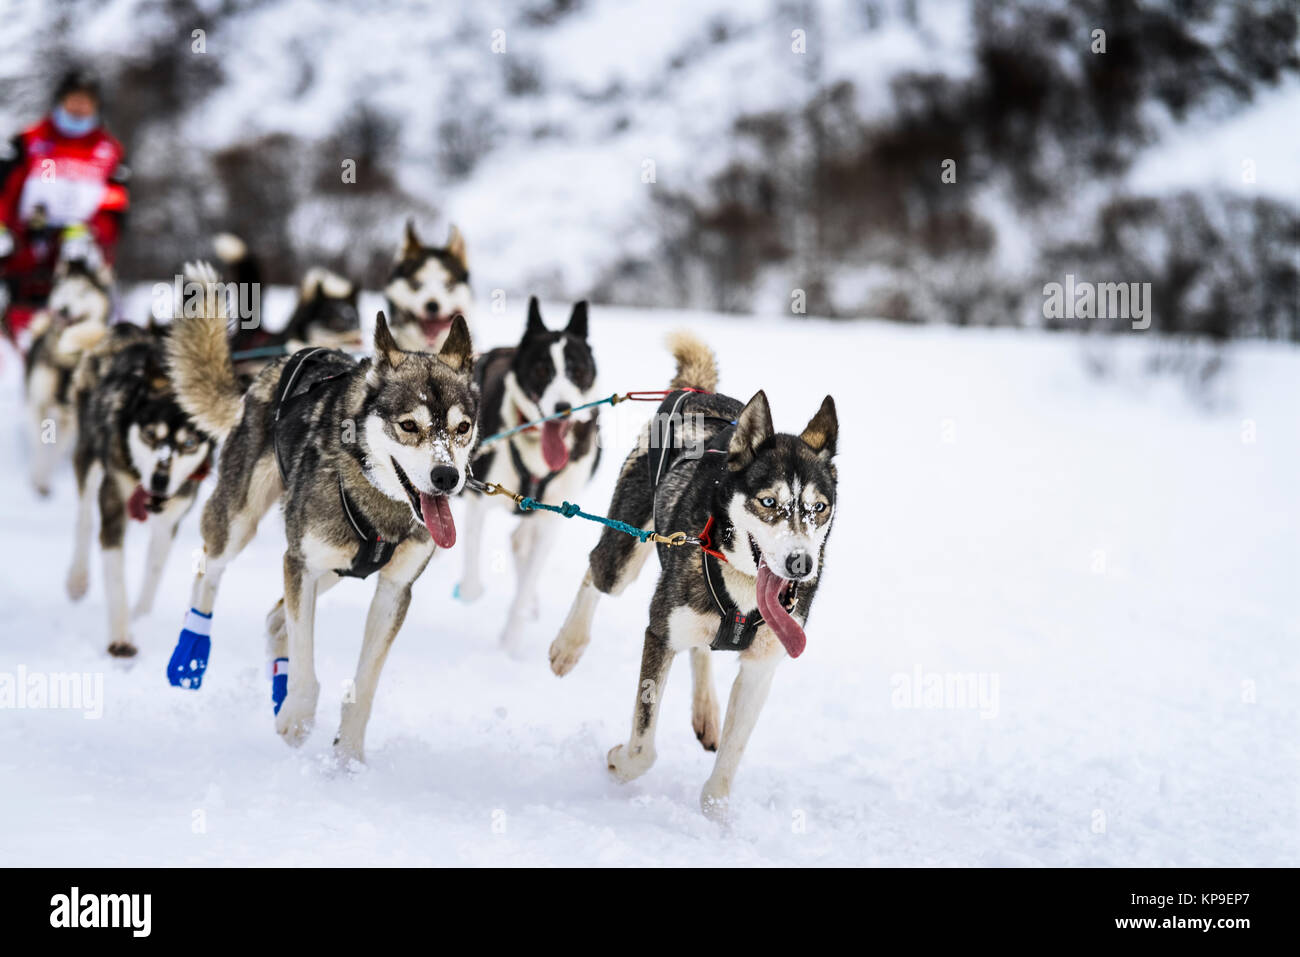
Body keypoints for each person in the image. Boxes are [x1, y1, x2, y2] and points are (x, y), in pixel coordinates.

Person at [0, 68, 129, 342]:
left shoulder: (110, 152)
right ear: (60, 101)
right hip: (24, 253)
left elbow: (115, 209)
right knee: (23, 334)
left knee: (75, 336)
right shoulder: (28, 141)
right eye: (74, 99)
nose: (80, 107)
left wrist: (92, 233)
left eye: (87, 101)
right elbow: (5, 190)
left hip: (81, 259)